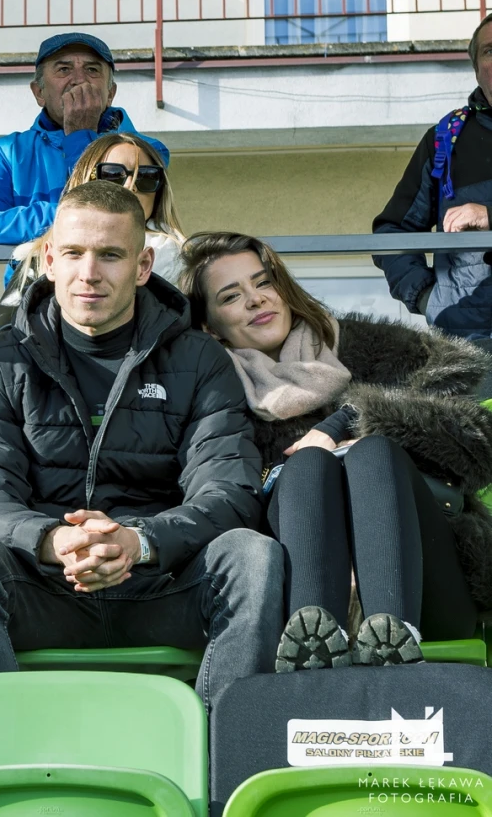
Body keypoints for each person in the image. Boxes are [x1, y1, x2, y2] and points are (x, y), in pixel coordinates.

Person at [0, 180, 282, 710]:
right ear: (50, 260)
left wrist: (138, 541)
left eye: (110, 255)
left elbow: (229, 491)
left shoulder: (199, 361)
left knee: (251, 554)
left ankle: (227, 754)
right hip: (44, 587)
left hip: (159, 586)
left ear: (143, 266)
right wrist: (53, 541)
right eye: (74, 253)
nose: (89, 273)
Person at [181, 231, 492, 670]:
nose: (256, 299)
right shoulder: (208, 395)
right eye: (231, 296)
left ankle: (394, 635)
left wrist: (348, 420)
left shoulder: (374, 349)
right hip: (288, 590)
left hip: (429, 586)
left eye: (264, 282)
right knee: (307, 464)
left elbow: (478, 443)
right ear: (210, 325)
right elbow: (216, 500)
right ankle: (314, 640)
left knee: (372, 454)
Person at [0, 32, 169, 276]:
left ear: (110, 93)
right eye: (64, 69)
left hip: (116, 285)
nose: (79, 80)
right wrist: (66, 214)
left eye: (92, 70)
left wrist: (80, 136)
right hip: (32, 291)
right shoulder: (9, 151)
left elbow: (114, 219)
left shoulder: (148, 152)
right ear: (39, 92)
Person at [373, 13, 492, 340]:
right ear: (476, 68)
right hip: (467, 346)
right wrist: (427, 297)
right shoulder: (445, 140)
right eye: (490, 51)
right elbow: (391, 233)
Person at [0, 131, 185, 332]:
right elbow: (4, 337)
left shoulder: (186, 262)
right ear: (85, 181)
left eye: (146, 177)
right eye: (112, 174)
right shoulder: (36, 259)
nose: (130, 185)